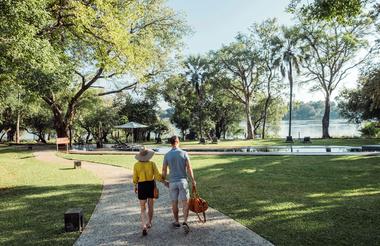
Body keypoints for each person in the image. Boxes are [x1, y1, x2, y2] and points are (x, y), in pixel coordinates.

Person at [162, 136, 196, 234]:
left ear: (171, 143)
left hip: (172, 182)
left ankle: (176, 221)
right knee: (185, 203)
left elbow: (164, 170)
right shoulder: (184, 153)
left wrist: (164, 181)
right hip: (183, 182)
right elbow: (189, 168)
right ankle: (185, 221)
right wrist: (193, 180)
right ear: (178, 142)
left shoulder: (167, 155)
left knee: (174, 202)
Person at [133, 147, 166, 236]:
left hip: (142, 186)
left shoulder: (136, 165)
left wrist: (135, 186)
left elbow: (135, 178)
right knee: (150, 205)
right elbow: (158, 176)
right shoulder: (152, 164)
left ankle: (144, 225)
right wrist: (164, 180)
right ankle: (149, 223)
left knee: (142, 207)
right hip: (150, 185)